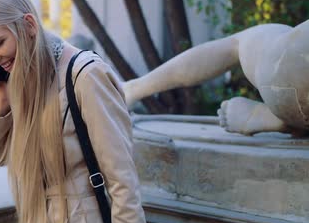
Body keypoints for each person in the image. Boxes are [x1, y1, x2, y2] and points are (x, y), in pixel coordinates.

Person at [0, 0, 151, 223]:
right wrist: (3, 101)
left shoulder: (86, 76)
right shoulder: (22, 82)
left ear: (29, 25)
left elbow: (123, 183)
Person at [123, 20, 309, 136]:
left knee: (241, 42)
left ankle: (133, 89)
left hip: (289, 71)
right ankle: (285, 121)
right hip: (290, 77)